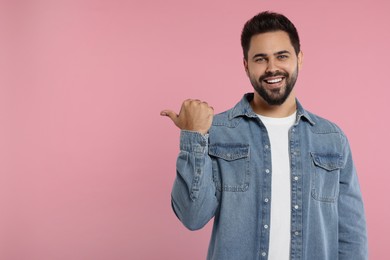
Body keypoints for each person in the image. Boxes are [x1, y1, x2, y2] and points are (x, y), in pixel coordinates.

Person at [160, 11, 367, 260]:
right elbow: (192, 217)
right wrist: (194, 137)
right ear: (246, 66)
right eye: (260, 59)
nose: (272, 68)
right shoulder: (218, 132)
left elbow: (351, 236)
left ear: (299, 59)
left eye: (282, 56)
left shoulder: (332, 139)